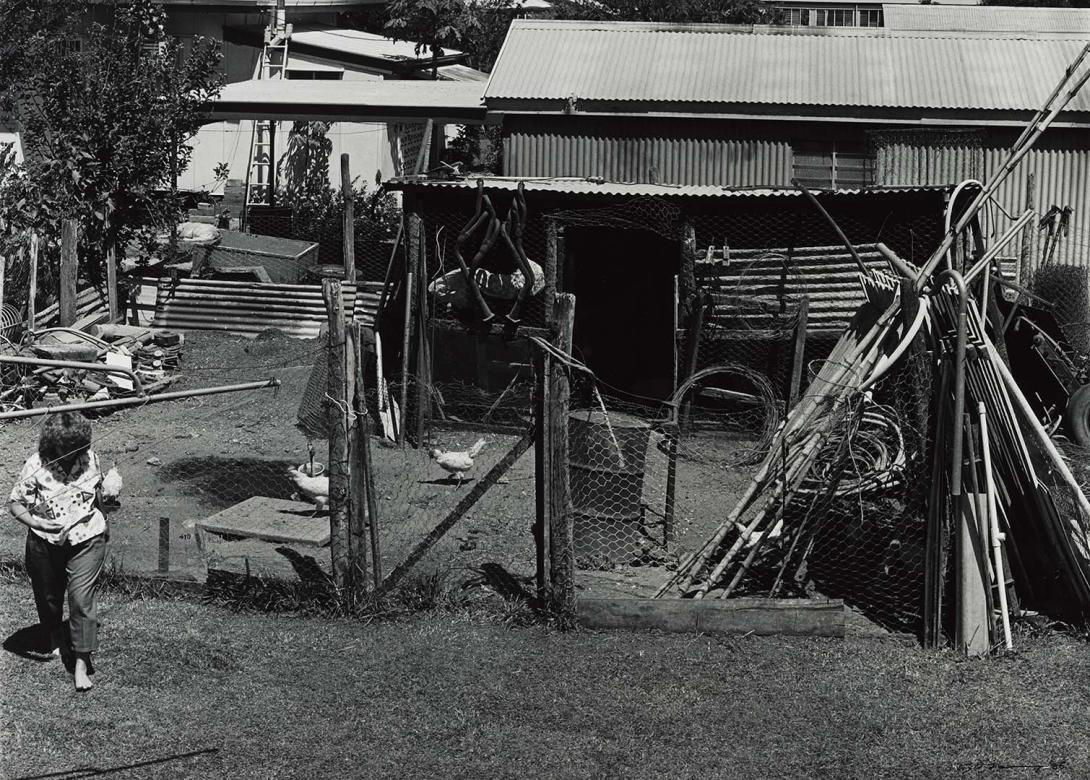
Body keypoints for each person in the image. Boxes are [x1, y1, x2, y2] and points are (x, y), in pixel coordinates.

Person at [9, 411, 107, 692]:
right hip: (45, 541)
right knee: (48, 595)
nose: (75, 453)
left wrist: (107, 508)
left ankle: (80, 662)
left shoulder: (91, 459)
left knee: (81, 598)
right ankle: (53, 633)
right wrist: (36, 521)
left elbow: (96, 495)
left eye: (80, 446)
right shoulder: (36, 465)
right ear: (54, 445)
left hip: (87, 538)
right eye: (69, 448)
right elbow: (16, 503)